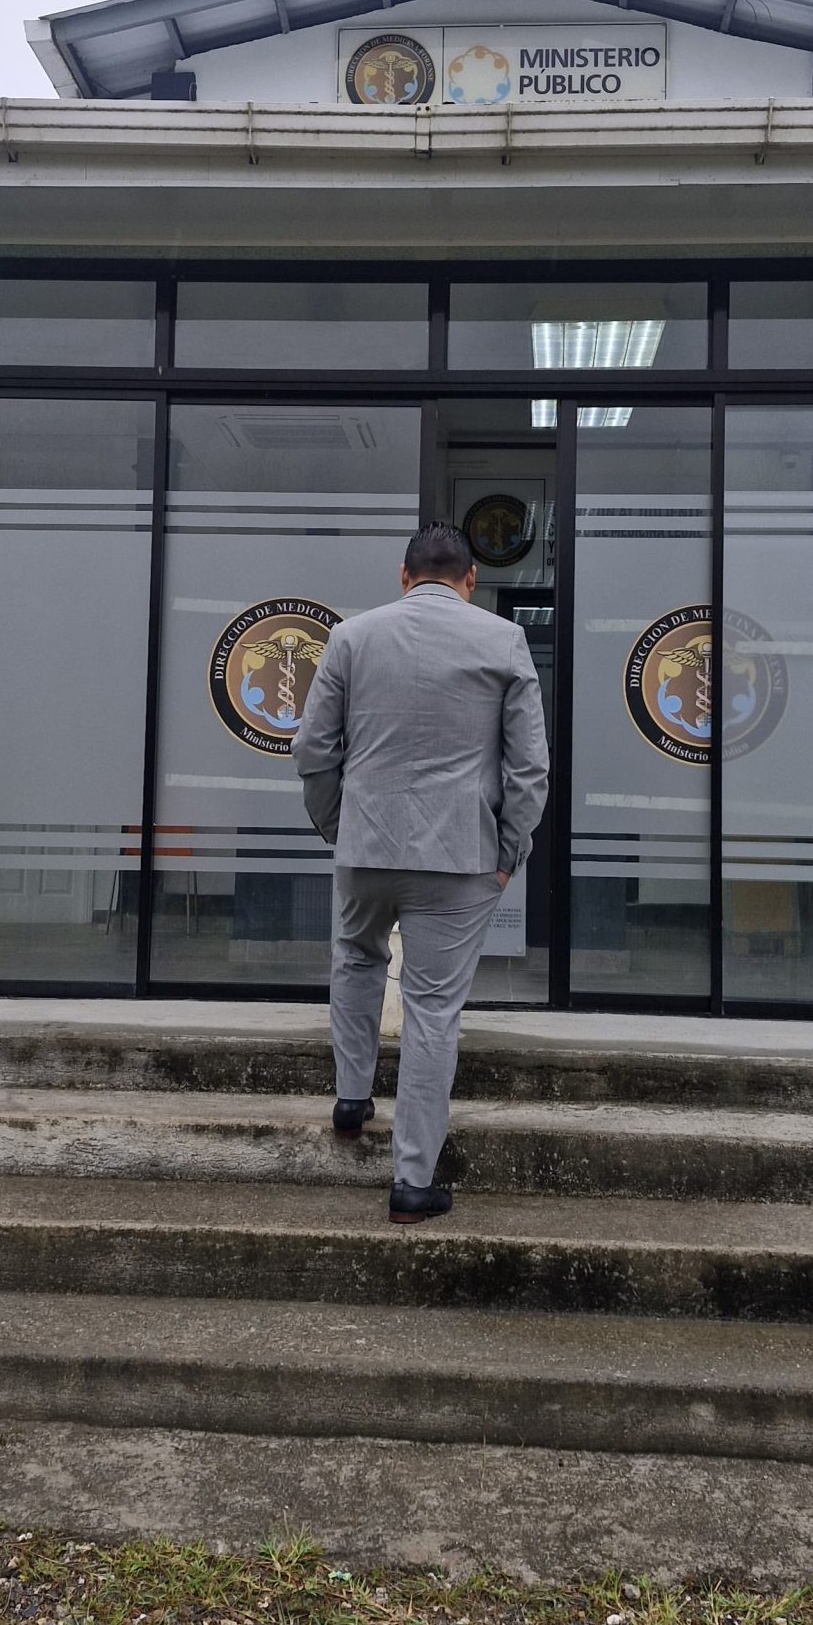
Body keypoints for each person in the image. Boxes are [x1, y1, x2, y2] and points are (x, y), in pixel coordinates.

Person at [292, 521, 550, 1223]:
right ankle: (410, 1182)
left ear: (404, 576)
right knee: (433, 1010)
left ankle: (351, 1099)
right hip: (458, 855)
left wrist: (338, 828)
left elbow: (313, 749)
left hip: (366, 845)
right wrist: (508, 852)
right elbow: (529, 767)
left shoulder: (351, 637)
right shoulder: (503, 640)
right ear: (470, 580)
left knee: (356, 958)